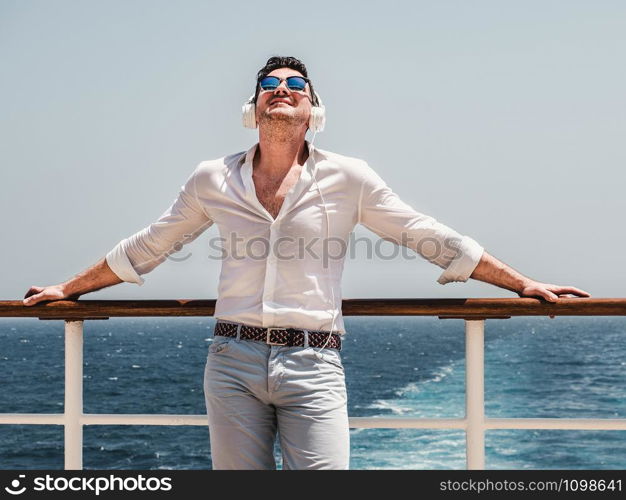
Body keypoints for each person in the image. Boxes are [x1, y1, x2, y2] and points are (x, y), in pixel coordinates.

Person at [23, 56, 590, 469]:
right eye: (269, 85)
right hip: (232, 362)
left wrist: (521, 283)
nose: (282, 90)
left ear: (314, 109)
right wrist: (68, 288)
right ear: (253, 107)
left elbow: (426, 235)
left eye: (296, 85)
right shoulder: (212, 178)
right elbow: (151, 243)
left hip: (313, 365)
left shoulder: (350, 177)